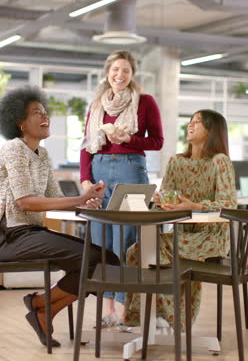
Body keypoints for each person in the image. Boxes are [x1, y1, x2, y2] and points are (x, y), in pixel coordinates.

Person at [0, 85, 119, 348]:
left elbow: (56, 200)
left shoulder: (43, 154)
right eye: (36, 112)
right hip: (12, 238)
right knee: (97, 259)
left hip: (33, 234)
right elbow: (25, 203)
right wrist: (78, 200)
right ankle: (40, 307)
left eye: (44, 111)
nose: (45, 116)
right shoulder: (14, 149)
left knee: (108, 260)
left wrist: (89, 201)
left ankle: (41, 306)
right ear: (20, 123)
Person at [123, 109, 237, 329]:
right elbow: (166, 199)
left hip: (210, 237)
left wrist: (193, 206)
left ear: (213, 130)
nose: (191, 125)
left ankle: (158, 318)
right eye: (191, 121)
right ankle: (159, 318)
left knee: (146, 251)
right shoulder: (176, 162)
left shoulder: (219, 161)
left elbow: (229, 204)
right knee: (136, 251)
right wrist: (160, 202)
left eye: (198, 122)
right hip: (182, 234)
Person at [80, 50, 164, 326]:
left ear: (132, 75)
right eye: (116, 69)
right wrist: (85, 179)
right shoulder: (96, 106)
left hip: (131, 168)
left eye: (126, 71)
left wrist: (130, 139)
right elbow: (86, 146)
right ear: (108, 72)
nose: (120, 75)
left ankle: (126, 308)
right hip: (100, 169)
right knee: (101, 240)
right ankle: (107, 312)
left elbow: (158, 142)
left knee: (127, 240)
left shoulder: (146, 102)